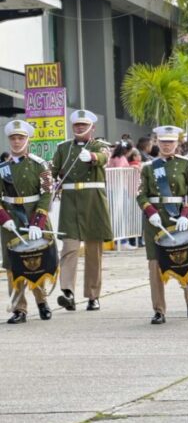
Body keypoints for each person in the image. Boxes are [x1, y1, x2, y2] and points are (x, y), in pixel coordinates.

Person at [137, 126, 188, 325]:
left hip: (177, 219)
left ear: (177, 143)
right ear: (157, 142)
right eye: (163, 142)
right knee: (155, 265)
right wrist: (150, 212)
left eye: (170, 142)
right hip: (155, 221)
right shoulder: (148, 167)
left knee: (184, 262)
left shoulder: (186, 164)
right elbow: (140, 194)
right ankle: (159, 310)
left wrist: (186, 215)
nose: (166, 145)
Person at [51, 109, 113, 313]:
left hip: (93, 203)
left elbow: (104, 157)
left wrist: (92, 156)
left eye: (83, 125)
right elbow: (52, 171)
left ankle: (93, 296)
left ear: (92, 127)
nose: (79, 128)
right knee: (69, 248)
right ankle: (67, 292)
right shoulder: (63, 148)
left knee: (94, 252)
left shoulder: (99, 146)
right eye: (77, 125)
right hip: (70, 203)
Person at [1, 120, 55, 324]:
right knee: (13, 264)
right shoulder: (2, 168)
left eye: (20, 138)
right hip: (11, 219)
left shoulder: (39, 164)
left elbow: (47, 193)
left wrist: (37, 222)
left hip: (33, 215)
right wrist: (4, 218)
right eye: (13, 138)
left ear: (28, 140)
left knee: (36, 260)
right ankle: (19, 309)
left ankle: (42, 302)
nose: (16, 141)